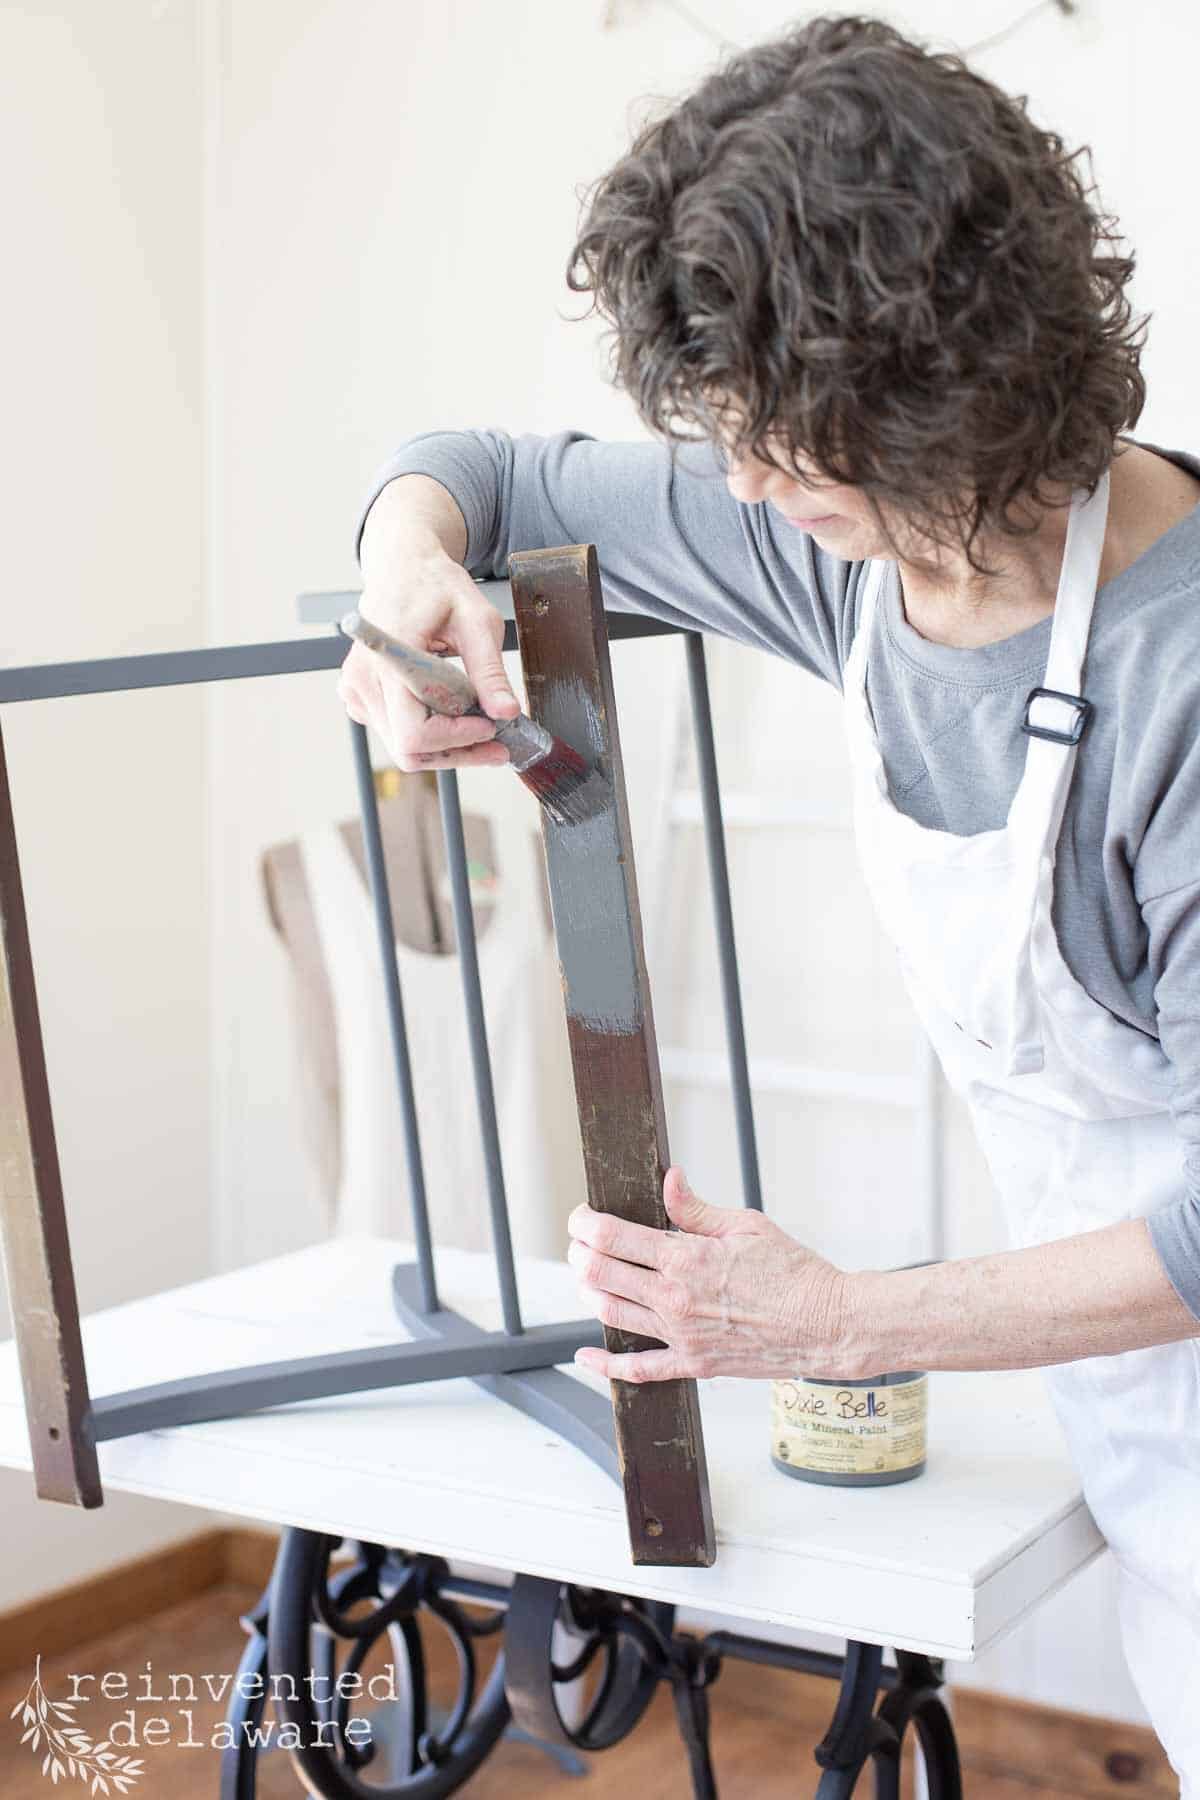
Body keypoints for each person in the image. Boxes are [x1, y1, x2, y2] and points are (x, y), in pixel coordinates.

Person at [339, 15, 1200, 1781]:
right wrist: (406, 575)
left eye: (770, 442)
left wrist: (832, 1320)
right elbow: (475, 474)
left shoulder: (1175, 686)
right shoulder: (853, 555)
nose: (734, 487)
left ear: (920, 403)